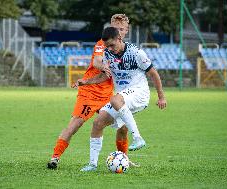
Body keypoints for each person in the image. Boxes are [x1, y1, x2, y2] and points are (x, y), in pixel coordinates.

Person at [47, 14, 131, 169]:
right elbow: (97, 61)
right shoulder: (102, 43)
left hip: (107, 95)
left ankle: (123, 159)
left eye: (121, 29)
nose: (118, 31)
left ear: (126, 31)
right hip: (90, 92)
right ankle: (55, 157)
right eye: (115, 28)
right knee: (75, 125)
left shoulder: (126, 50)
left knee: (123, 126)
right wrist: (103, 67)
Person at [78, 26, 167, 171]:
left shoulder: (136, 52)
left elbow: (154, 74)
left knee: (115, 99)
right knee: (97, 123)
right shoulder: (107, 54)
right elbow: (104, 75)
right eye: (107, 46)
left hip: (140, 92)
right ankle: (92, 164)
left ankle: (138, 138)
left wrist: (161, 97)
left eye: (112, 45)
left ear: (120, 38)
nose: (110, 49)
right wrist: (86, 82)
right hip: (123, 97)